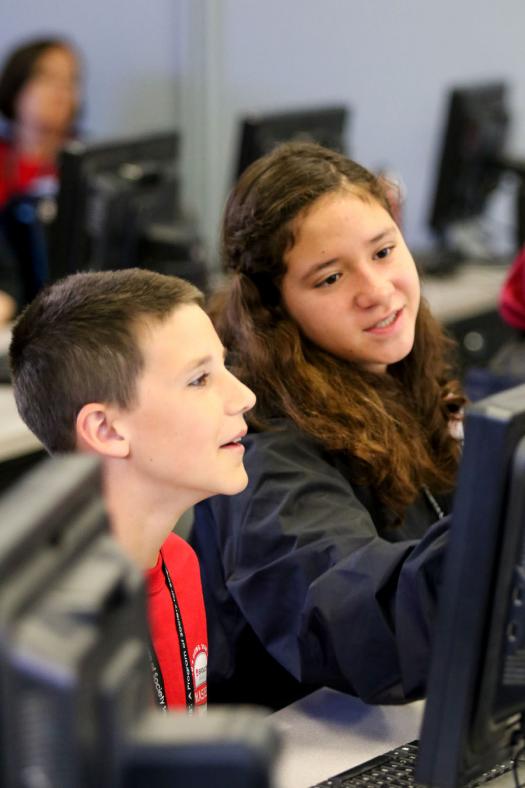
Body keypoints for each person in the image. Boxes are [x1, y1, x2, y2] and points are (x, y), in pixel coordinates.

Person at [189, 141, 465, 711]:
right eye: (331, 278)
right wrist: (494, 539)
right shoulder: (259, 446)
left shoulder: (400, 371)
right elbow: (358, 620)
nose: (377, 290)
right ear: (277, 307)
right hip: (297, 748)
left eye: (384, 251)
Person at [9, 267, 256, 711]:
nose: (243, 396)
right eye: (199, 379)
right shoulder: (40, 629)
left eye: (225, 366)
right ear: (105, 429)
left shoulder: (178, 562)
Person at [0, 36, 82, 317]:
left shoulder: (85, 162)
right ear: (16, 86)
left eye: (70, 81)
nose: (61, 91)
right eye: (47, 78)